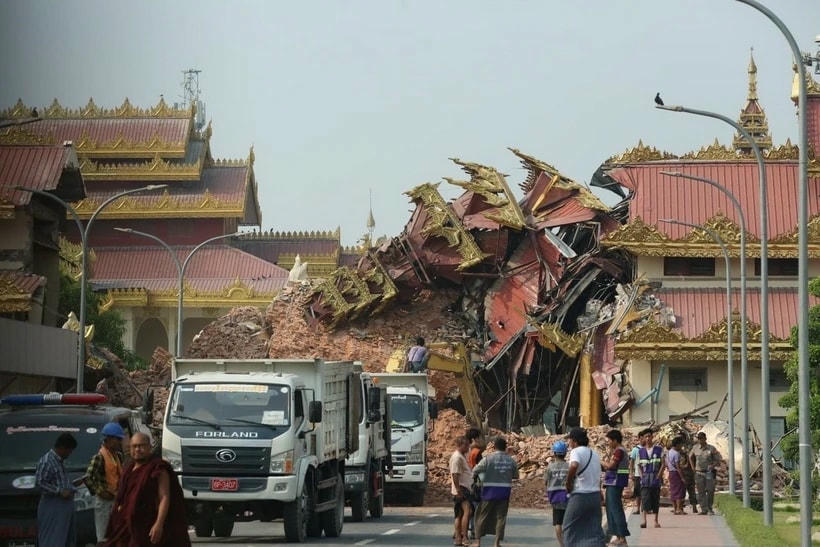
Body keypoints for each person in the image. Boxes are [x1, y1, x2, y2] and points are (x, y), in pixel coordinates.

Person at [104, 432, 190, 546]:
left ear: (149, 447)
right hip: (128, 525)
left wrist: (158, 524)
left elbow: (164, 497)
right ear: (130, 448)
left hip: (148, 524)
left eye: (141, 446)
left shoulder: (158, 468)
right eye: (134, 446)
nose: (138, 449)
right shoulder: (128, 469)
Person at [471, 436, 518, 547]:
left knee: (481, 515)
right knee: (501, 517)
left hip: (489, 491)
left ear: (494, 447)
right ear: (505, 447)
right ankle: (496, 543)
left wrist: (477, 479)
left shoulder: (488, 459)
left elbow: (475, 470)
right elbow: (516, 475)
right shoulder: (511, 460)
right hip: (504, 492)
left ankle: (477, 542)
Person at [563, 427, 606, 546]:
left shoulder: (576, 451)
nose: (569, 443)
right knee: (593, 530)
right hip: (595, 496)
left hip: (580, 496)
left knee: (569, 528)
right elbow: (598, 475)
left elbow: (574, 465)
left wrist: (568, 483)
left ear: (575, 441)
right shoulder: (594, 454)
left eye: (570, 440)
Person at [85, 422, 126, 544]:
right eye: (117, 439)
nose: (120, 442)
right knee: (103, 538)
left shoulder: (117, 456)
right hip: (104, 503)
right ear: (108, 439)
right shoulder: (99, 457)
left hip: (115, 499)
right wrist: (100, 492)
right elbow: (88, 477)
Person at [36, 432, 79, 547]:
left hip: (64, 507)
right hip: (53, 506)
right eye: (69, 451)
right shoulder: (47, 461)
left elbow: (59, 481)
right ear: (62, 448)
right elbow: (40, 483)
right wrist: (59, 491)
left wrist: (72, 486)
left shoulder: (59, 462)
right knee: (52, 540)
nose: (70, 454)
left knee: (65, 540)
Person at [601, 430, 630, 545]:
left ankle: (622, 537)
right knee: (611, 509)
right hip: (613, 482)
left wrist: (601, 461)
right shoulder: (616, 451)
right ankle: (618, 535)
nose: (608, 443)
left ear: (615, 440)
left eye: (609, 440)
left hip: (616, 482)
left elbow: (611, 466)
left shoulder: (619, 451)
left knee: (616, 509)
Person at [638, 428, 665, 529]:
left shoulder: (659, 449)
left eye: (649, 436)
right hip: (645, 478)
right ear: (643, 438)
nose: (648, 438)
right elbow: (639, 465)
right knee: (644, 498)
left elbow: (663, 464)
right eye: (646, 437)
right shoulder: (641, 451)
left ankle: (656, 521)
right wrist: (642, 477)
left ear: (652, 437)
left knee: (655, 499)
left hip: (655, 476)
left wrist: (658, 476)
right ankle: (644, 521)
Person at [545, 441, 569, 547]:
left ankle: (562, 544)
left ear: (554, 453)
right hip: (568, 497)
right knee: (568, 521)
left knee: (558, 522)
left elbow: (546, 481)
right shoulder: (569, 466)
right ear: (565, 453)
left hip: (555, 497)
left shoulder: (550, 467)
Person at [689, 431, 719, 515]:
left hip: (709, 472)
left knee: (710, 491)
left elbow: (718, 459)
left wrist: (712, 465)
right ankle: (703, 509)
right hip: (699, 472)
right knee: (701, 491)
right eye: (699, 439)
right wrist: (693, 467)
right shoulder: (695, 447)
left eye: (702, 439)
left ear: (705, 439)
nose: (700, 440)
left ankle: (710, 508)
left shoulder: (711, 448)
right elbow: (690, 457)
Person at [450, 436, 473, 546]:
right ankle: (463, 537)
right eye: (466, 445)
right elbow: (455, 475)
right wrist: (459, 491)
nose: (468, 448)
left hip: (462, 488)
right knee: (466, 512)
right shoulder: (457, 458)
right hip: (461, 489)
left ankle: (458, 539)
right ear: (461, 445)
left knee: (459, 514)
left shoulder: (461, 456)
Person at [666, 436, 687, 515]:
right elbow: (678, 467)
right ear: (677, 444)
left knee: (673, 490)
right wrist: (682, 477)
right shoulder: (676, 454)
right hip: (676, 473)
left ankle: (675, 508)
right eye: (681, 444)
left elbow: (666, 464)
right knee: (679, 491)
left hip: (671, 473)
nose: (681, 446)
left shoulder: (668, 452)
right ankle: (679, 509)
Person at [678, 444, 698, 514]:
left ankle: (680, 508)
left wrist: (680, 467)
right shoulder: (692, 456)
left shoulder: (686, 457)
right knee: (691, 492)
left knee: (683, 492)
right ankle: (694, 507)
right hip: (690, 476)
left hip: (685, 476)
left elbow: (684, 465)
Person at [628, 441, 641, 515]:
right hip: (637, 474)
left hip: (646, 474)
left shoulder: (648, 448)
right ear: (640, 438)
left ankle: (646, 508)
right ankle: (638, 509)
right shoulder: (635, 449)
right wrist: (631, 473)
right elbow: (632, 462)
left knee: (646, 492)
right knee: (638, 492)